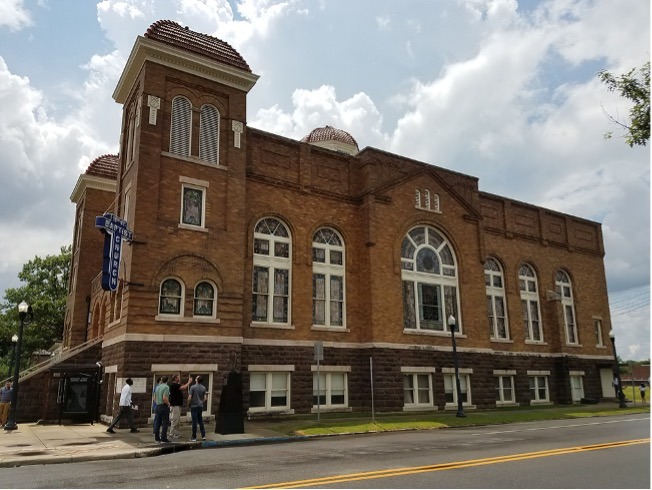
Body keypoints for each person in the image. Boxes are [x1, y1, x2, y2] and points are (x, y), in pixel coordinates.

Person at [168, 374, 192, 439]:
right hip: (174, 405)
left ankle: (176, 433)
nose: (179, 378)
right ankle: (171, 434)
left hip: (177, 405)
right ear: (175, 378)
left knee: (177, 420)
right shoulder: (174, 385)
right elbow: (184, 387)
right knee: (175, 420)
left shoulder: (176, 385)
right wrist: (189, 382)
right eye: (178, 377)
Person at [188, 375, 207, 442]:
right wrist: (201, 402)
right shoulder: (203, 388)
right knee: (200, 421)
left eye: (196, 378)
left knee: (194, 422)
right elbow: (205, 398)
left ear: (197, 380)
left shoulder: (192, 387)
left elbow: (190, 397)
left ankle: (194, 437)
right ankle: (203, 436)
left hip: (194, 406)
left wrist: (188, 403)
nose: (195, 378)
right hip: (200, 406)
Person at [153, 375, 171, 443]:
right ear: (167, 381)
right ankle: (163, 438)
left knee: (157, 422)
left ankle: (157, 439)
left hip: (157, 406)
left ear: (161, 380)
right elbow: (164, 397)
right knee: (165, 423)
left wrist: (157, 402)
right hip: (163, 406)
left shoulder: (157, 387)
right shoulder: (166, 387)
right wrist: (168, 404)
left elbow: (154, 397)